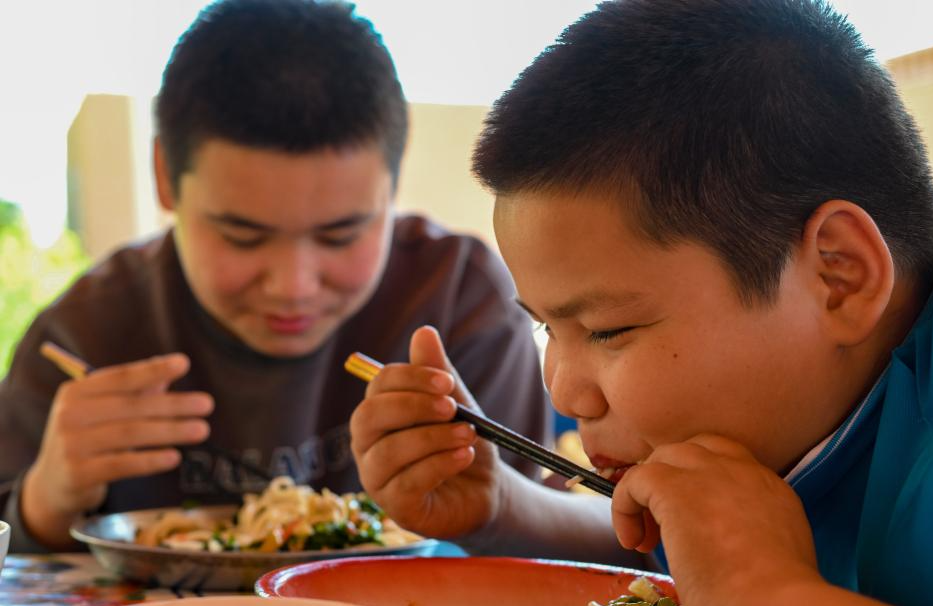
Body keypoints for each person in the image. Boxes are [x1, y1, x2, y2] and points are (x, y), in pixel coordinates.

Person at [349, 0, 933, 606]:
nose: (565, 392)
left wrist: (767, 604)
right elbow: (703, 549)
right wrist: (504, 509)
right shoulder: (814, 401)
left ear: (839, 275)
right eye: (546, 329)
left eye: (608, 330)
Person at [0, 0, 550, 553]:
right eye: (242, 236)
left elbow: (533, 554)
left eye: (340, 236)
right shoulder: (86, 335)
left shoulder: (459, 302)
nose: (293, 286)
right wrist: (42, 502)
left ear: (394, 175)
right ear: (165, 176)